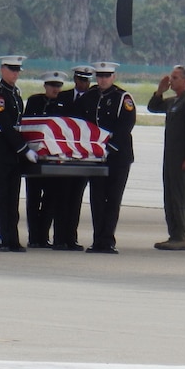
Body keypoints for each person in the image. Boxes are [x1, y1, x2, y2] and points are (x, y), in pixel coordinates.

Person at [77, 61, 135, 254]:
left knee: (113, 199)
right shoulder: (90, 96)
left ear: (113, 77)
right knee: (97, 199)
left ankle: (108, 239)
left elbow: (126, 125)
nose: (102, 79)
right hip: (96, 156)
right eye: (100, 76)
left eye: (106, 76)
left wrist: (109, 147)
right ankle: (97, 239)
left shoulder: (122, 97)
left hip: (117, 156)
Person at [147, 65, 185, 250]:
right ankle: (173, 233)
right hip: (170, 156)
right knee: (169, 194)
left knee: (180, 194)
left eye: (175, 78)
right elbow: (153, 107)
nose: (172, 80)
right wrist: (160, 91)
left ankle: (181, 235)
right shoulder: (174, 101)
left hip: (182, 156)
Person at [0, 54, 36, 252]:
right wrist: (24, 149)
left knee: (12, 198)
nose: (15, 73)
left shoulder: (15, 93)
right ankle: (5, 239)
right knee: (1, 198)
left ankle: (13, 238)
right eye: (11, 69)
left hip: (11, 153)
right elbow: (5, 126)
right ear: (2, 70)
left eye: (17, 70)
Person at [23, 71, 70, 248]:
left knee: (50, 199)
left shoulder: (65, 103)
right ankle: (34, 236)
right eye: (52, 86)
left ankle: (43, 235)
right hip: (35, 157)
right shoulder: (35, 101)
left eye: (58, 86)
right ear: (45, 86)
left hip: (53, 159)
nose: (55, 89)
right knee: (33, 199)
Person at [52, 64, 93, 251]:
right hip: (64, 154)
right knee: (61, 197)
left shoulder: (95, 98)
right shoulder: (63, 97)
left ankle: (71, 238)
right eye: (80, 79)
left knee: (76, 198)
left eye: (87, 80)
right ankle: (59, 238)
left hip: (83, 155)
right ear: (75, 79)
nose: (83, 83)